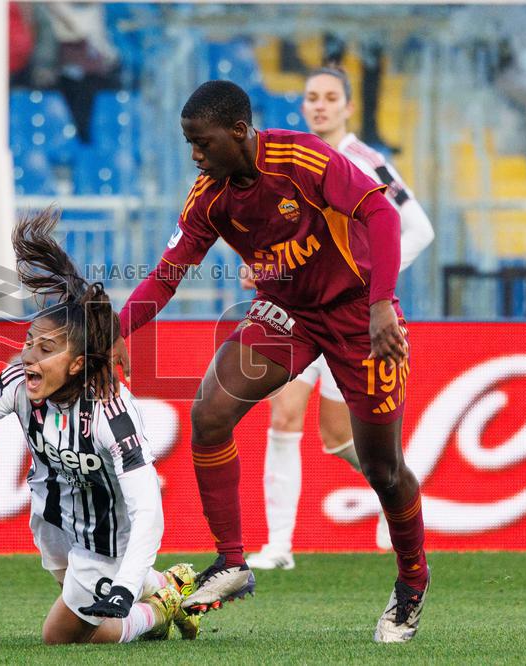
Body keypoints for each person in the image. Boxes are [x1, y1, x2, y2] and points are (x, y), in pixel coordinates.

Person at [114, 80, 429, 643]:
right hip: (287, 313)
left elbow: (380, 213)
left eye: (202, 143)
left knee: (383, 467)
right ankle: (233, 562)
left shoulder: (302, 158)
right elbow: (168, 272)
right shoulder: (208, 196)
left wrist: (382, 303)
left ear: (239, 132)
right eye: (189, 144)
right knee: (209, 414)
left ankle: (412, 580)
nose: (196, 155)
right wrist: (115, 332)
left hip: (359, 312)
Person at [0, 208, 201, 644]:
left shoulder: (110, 412)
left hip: (107, 530)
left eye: (45, 349)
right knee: (81, 610)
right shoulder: (16, 382)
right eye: (29, 342)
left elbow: (147, 506)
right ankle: (166, 587)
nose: (29, 356)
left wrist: (126, 588)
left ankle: (156, 612)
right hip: (51, 516)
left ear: (75, 364)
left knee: (65, 637)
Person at [246, 66, 435, 571]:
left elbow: (418, 229)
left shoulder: (367, 163)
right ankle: (278, 546)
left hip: (355, 321)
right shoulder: (290, 161)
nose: (321, 105)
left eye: (331, 97)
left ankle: (398, 489)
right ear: (303, 106)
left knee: (338, 438)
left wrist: (371, 286)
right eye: (312, 97)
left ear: (348, 107)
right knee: (283, 417)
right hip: (301, 315)